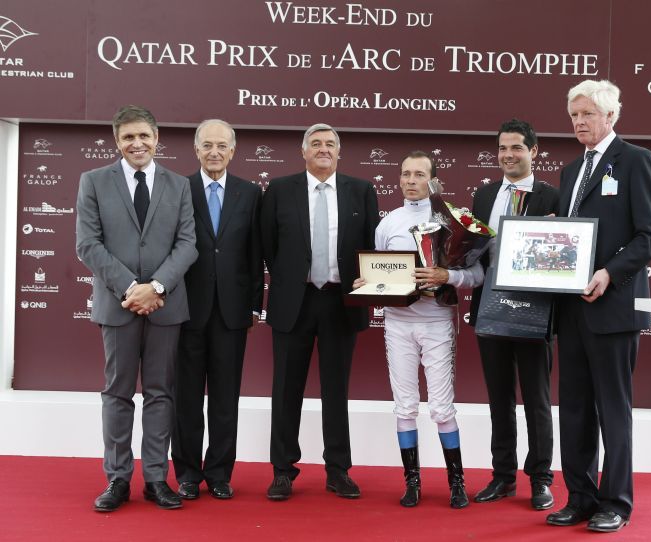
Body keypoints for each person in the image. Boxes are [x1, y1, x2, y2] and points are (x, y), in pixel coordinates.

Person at [546, 80, 651, 532]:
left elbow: (650, 235)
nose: (578, 122)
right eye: (574, 114)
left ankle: (616, 502)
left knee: (612, 409)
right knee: (574, 407)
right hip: (572, 309)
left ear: (610, 117)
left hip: (613, 307)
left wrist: (610, 273)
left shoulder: (637, 161)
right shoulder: (570, 171)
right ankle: (579, 497)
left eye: (587, 115)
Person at [76, 105, 198, 512]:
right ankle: (117, 479)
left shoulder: (179, 185)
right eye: (128, 137)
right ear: (117, 141)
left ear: (157, 137)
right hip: (118, 304)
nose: (137, 143)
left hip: (166, 305)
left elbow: (187, 244)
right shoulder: (93, 182)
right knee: (117, 393)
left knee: (162, 394)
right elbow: (88, 245)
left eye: (144, 135)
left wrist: (157, 287)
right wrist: (133, 288)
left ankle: (156, 480)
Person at [353, 151, 483, 508]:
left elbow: (477, 275)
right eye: (405, 173)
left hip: (437, 322)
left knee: (442, 408)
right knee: (405, 406)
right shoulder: (388, 224)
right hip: (398, 325)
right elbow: (378, 272)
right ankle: (412, 483)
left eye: (419, 174)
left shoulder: (453, 220)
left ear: (433, 180)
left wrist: (447, 276)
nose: (411, 180)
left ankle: (456, 482)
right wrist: (368, 282)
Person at [261, 123, 379, 500]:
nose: (323, 149)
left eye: (330, 144)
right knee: (285, 389)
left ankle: (338, 470)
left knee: (336, 390)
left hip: (340, 302)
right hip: (294, 302)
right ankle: (282, 471)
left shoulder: (361, 190)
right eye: (316, 144)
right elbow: (268, 245)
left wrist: (366, 279)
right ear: (304, 151)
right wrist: (291, 277)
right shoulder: (280, 190)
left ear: (339, 152)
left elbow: (372, 246)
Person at [469, 119, 559, 511]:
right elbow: (472, 253)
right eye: (503, 148)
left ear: (533, 151)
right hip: (490, 309)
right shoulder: (484, 194)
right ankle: (502, 477)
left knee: (536, 399)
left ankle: (540, 479)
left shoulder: (553, 197)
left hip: (534, 312)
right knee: (498, 398)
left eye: (516, 148)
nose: (508, 155)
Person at [171, 120, 263, 501]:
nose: (214, 152)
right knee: (186, 399)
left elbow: (255, 254)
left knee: (226, 398)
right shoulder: (178, 190)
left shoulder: (250, 193)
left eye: (221, 146)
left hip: (232, 311)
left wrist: (256, 305)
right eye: (207, 145)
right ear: (196, 150)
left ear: (232, 151)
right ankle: (189, 474)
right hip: (186, 310)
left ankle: (220, 473)